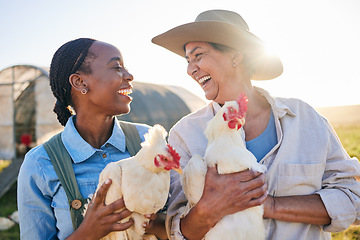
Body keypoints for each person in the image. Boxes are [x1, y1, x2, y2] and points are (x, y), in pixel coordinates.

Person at [152, 10, 360, 240]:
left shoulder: (306, 119)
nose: (190, 69)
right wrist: (207, 210)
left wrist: (268, 205)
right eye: (188, 60)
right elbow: (176, 231)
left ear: (235, 55)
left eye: (198, 55)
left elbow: (352, 198)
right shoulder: (185, 134)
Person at [17, 38, 167, 239]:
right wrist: (87, 233)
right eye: (116, 67)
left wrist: (157, 223)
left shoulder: (148, 141)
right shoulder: (40, 164)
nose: (129, 76)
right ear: (80, 82)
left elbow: (182, 227)